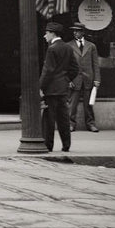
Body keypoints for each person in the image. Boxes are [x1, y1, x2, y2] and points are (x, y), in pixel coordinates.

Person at [40, 21, 79, 154]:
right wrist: (66, 79)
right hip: (63, 88)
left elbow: (48, 70)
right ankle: (66, 145)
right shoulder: (68, 47)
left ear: (52, 33)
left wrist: (40, 87)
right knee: (63, 118)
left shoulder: (52, 49)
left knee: (49, 119)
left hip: (51, 89)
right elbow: (75, 68)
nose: (45, 36)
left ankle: (48, 145)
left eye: (46, 33)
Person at [68, 24, 100, 133]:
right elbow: (66, 64)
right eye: (74, 31)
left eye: (77, 31)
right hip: (74, 79)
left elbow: (95, 64)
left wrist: (97, 79)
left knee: (89, 104)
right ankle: (70, 124)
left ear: (83, 32)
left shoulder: (91, 46)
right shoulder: (68, 46)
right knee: (72, 104)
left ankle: (90, 124)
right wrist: (68, 79)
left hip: (88, 79)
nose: (74, 33)